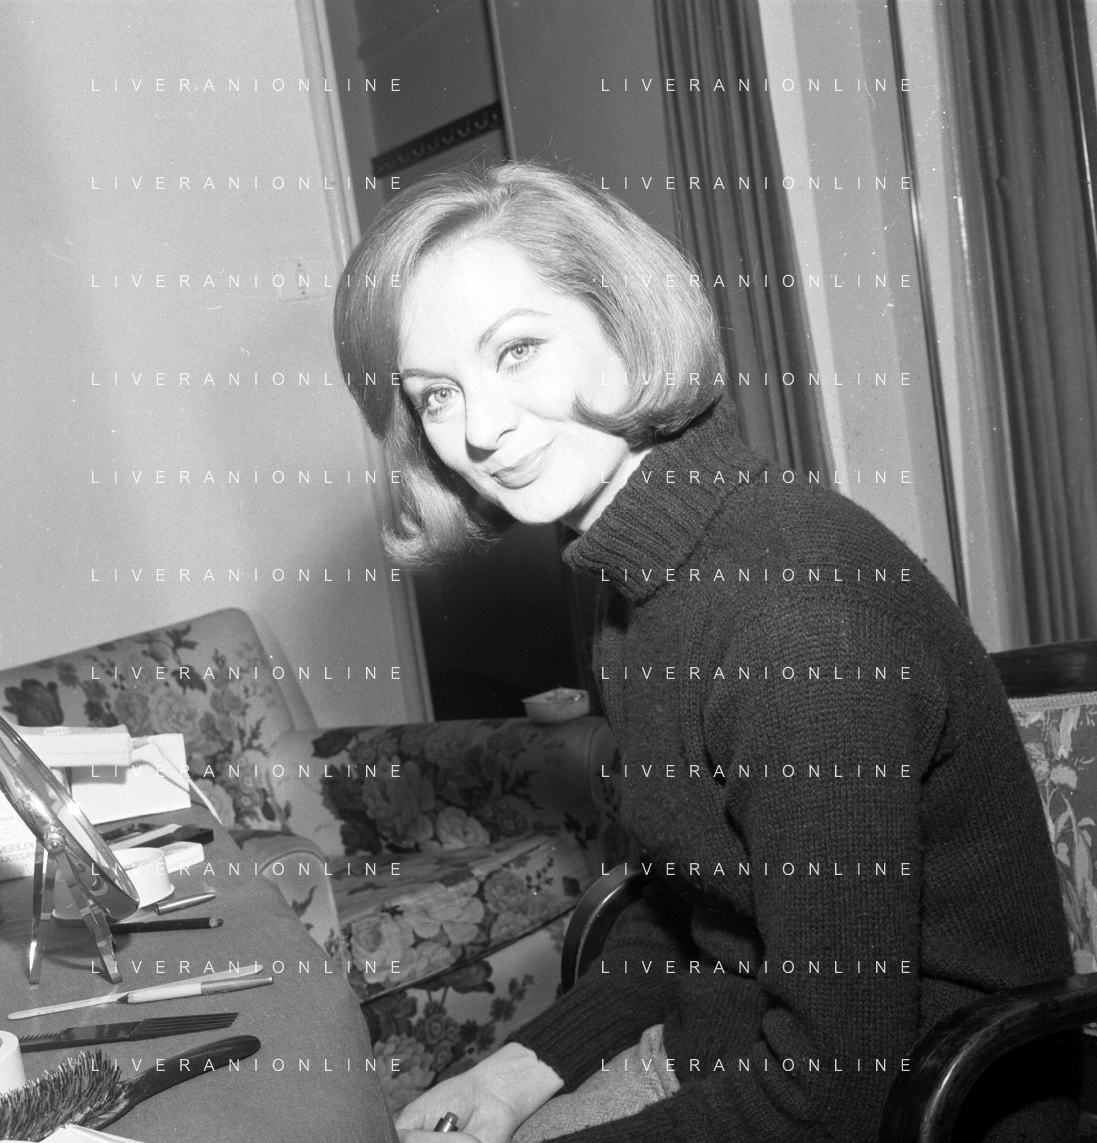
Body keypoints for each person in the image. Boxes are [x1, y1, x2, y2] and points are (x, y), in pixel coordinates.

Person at [333, 162, 1076, 1143]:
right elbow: (698, 900)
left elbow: (832, 1093)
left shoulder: (795, 628)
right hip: (729, 1053)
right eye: (435, 395)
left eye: (517, 350)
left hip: (916, 1109)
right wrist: (515, 1072)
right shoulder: (637, 576)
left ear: (627, 318)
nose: (479, 428)